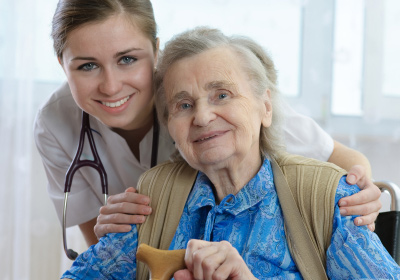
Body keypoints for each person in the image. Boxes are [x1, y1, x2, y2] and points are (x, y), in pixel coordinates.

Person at [34, 0, 380, 248]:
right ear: (61, 63)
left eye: (127, 59)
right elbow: (106, 251)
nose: (111, 86)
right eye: (87, 66)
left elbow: (345, 160)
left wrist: (362, 193)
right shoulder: (55, 123)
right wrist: (112, 234)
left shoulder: (207, 99)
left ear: (156, 49)